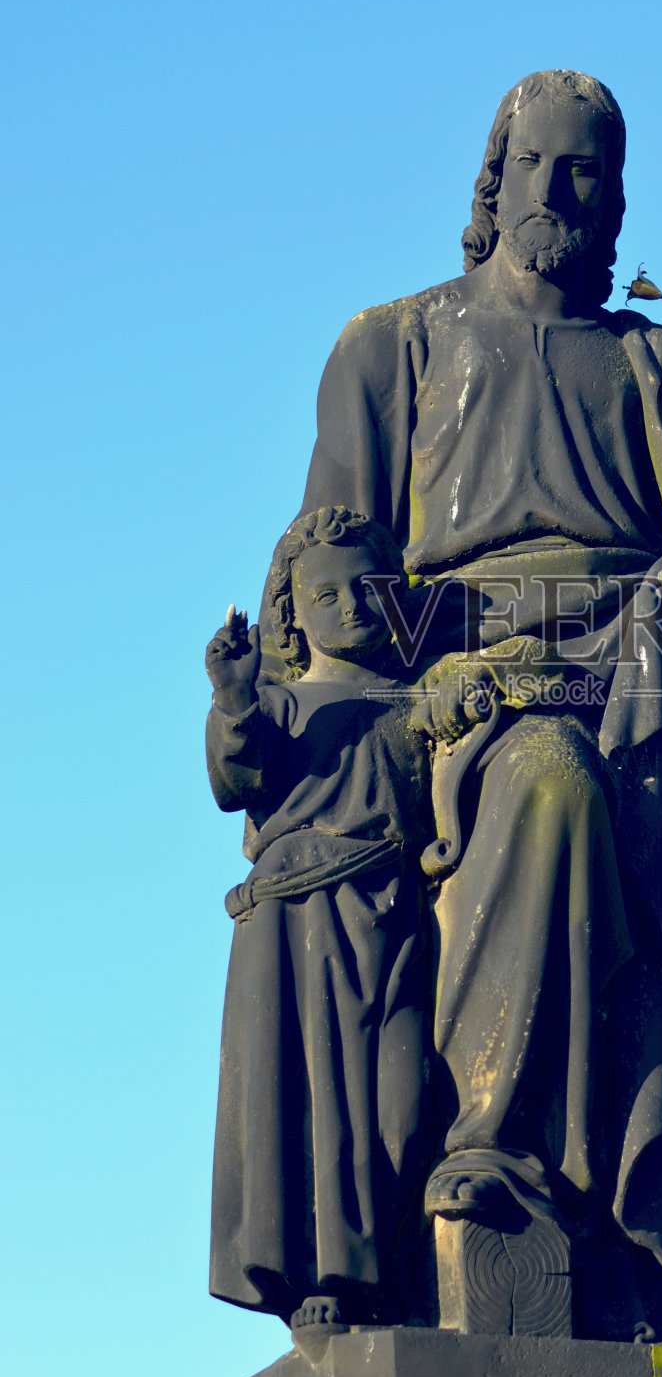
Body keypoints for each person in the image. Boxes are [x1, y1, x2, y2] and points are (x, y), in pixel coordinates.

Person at [287, 70, 662, 1345]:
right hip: (464, 711)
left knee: (650, 780)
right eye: (544, 168)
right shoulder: (392, 346)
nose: (567, 194)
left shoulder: (654, 363)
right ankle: (492, 1164)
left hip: (648, 693)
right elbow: (331, 595)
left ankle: (645, 1235)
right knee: (550, 783)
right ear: (492, 180)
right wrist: (495, 642)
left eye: (593, 173)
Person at [206, 507, 434, 1332]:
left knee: (401, 1103)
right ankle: (329, 1282)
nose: (351, 604)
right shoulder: (279, 706)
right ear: (290, 611)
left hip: (392, 923)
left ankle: (404, 1273)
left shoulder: (412, 696)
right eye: (323, 592)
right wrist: (235, 697)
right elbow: (235, 779)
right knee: (308, 1102)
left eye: (368, 586)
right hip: (293, 934)